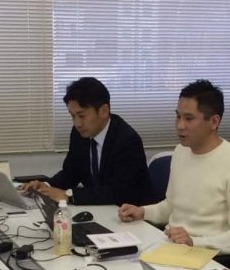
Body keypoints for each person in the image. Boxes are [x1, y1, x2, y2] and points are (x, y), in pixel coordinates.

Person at [117, 80, 230, 254]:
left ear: (214, 122)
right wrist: (142, 212)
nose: (180, 125)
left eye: (189, 118)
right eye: (178, 116)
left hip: (206, 255)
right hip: (170, 245)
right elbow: (172, 206)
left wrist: (194, 242)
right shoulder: (181, 151)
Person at [19, 77, 150, 206]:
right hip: (100, 209)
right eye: (72, 116)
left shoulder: (127, 140)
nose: (77, 123)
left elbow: (118, 191)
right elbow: (71, 173)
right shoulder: (79, 134)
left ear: (104, 111)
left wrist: (69, 195)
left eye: (82, 116)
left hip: (128, 212)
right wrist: (46, 186)